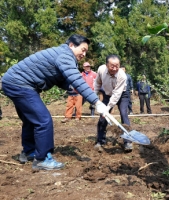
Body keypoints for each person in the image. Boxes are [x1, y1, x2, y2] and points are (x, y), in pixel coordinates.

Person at [1, 34, 103, 170]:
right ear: (71, 45)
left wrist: (73, 87)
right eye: (83, 49)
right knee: (43, 120)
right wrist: (97, 102)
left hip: (13, 82)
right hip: (20, 84)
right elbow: (77, 80)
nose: (84, 54)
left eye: (86, 51)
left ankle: (29, 151)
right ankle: (42, 159)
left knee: (31, 119)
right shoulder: (65, 55)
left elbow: (62, 79)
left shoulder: (61, 54)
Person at [93, 54, 133, 151]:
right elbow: (98, 83)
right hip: (107, 94)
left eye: (117, 66)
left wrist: (107, 108)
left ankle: (127, 142)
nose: (115, 68)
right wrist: (93, 97)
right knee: (103, 117)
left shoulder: (122, 76)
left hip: (122, 94)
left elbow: (116, 94)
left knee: (124, 114)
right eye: (112, 66)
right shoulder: (101, 70)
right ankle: (100, 141)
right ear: (107, 65)